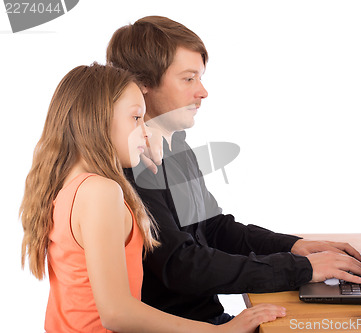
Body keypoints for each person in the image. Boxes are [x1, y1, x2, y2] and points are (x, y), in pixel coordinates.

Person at [106, 16, 361, 324]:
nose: (202, 92)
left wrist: (294, 247)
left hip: (208, 319)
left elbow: (213, 228)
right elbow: (180, 266)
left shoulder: (176, 145)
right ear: (144, 85)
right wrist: (301, 269)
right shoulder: (131, 166)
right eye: (188, 79)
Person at [19, 63, 286, 332]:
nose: (146, 130)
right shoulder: (101, 192)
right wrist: (220, 331)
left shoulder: (69, 187)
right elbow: (116, 313)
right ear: (96, 119)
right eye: (136, 118)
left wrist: (149, 144)